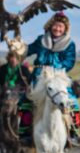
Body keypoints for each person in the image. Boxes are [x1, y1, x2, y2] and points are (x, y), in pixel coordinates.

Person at [18, 12, 79, 146]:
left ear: (65, 29)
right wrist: (18, 47)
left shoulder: (70, 44)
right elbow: (28, 50)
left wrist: (54, 68)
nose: (58, 29)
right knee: (26, 101)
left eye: (61, 27)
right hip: (39, 75)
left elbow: (69, 62)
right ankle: (25, 133)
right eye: (56, 26)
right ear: (51, 26)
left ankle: (74, 132)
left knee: (73, 102)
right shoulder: (41, 40)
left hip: (59, 76)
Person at [0, 51, 30, 147]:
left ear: (18, 59)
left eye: (15, 58)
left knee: (27, 114)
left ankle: (27, 136)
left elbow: (29, 82)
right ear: (8, 58)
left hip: (19, 96)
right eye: (11, 57)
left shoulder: (23, 69)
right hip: (5, 96)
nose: (13, 59)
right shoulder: (3, 69)